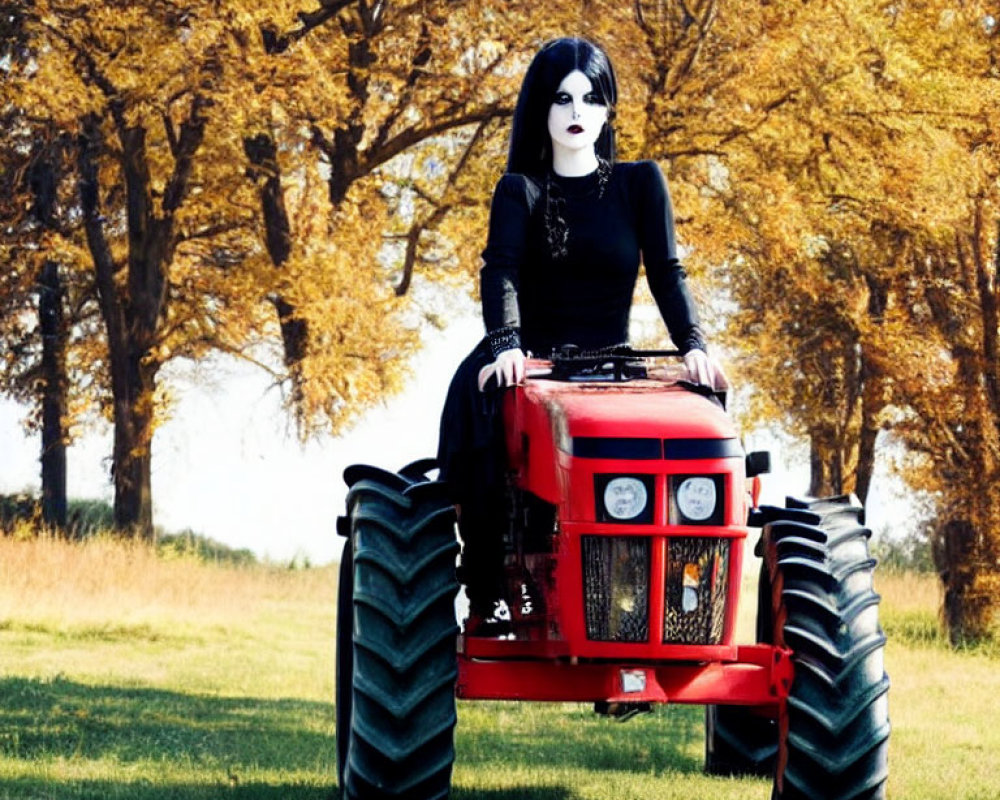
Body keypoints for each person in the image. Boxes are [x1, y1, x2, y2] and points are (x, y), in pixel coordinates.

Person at [437, 36, 725, 626]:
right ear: (541, 109)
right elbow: (502, 272)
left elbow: (667, 272)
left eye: (590, 99)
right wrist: (506, 344)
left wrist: (694, 345)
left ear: (607, 109)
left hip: (610, 363)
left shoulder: (640, 184)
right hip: (532, 358)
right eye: (562, 99)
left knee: (704, 410)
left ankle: (680, 601)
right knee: (490, 409)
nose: (575, 113)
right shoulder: (519, 191)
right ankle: (487, 582)